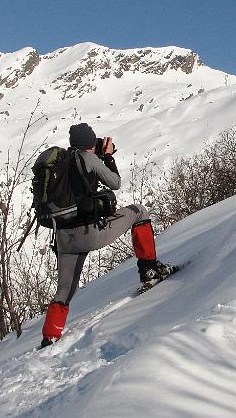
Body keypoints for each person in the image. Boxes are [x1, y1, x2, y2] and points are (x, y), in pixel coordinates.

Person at [40, 123, 177, 348]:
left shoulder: (62, 163)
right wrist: (108, 157)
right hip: (89, 233)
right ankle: (150, 270)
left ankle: (50, 335)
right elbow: (115, 183)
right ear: (90, 142)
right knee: (139, 212)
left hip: (64, 237)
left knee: (64, 288)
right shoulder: (88, 158)